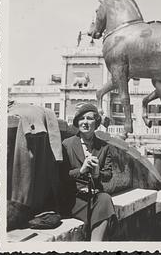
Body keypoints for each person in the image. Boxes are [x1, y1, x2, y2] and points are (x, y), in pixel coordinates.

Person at [62, 103, 117, 241]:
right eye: (81, 119)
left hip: (95, 198)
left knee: (105, 199)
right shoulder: (67, 144)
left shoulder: (104, 147)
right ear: (77, 122)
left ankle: (94, 245)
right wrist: (81, 170)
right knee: (105, 209)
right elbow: (61, 176)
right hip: (74, 199)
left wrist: (97, 173)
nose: (85, 122)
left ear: (96, 122)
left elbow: (108, 174)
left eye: (89, 118)